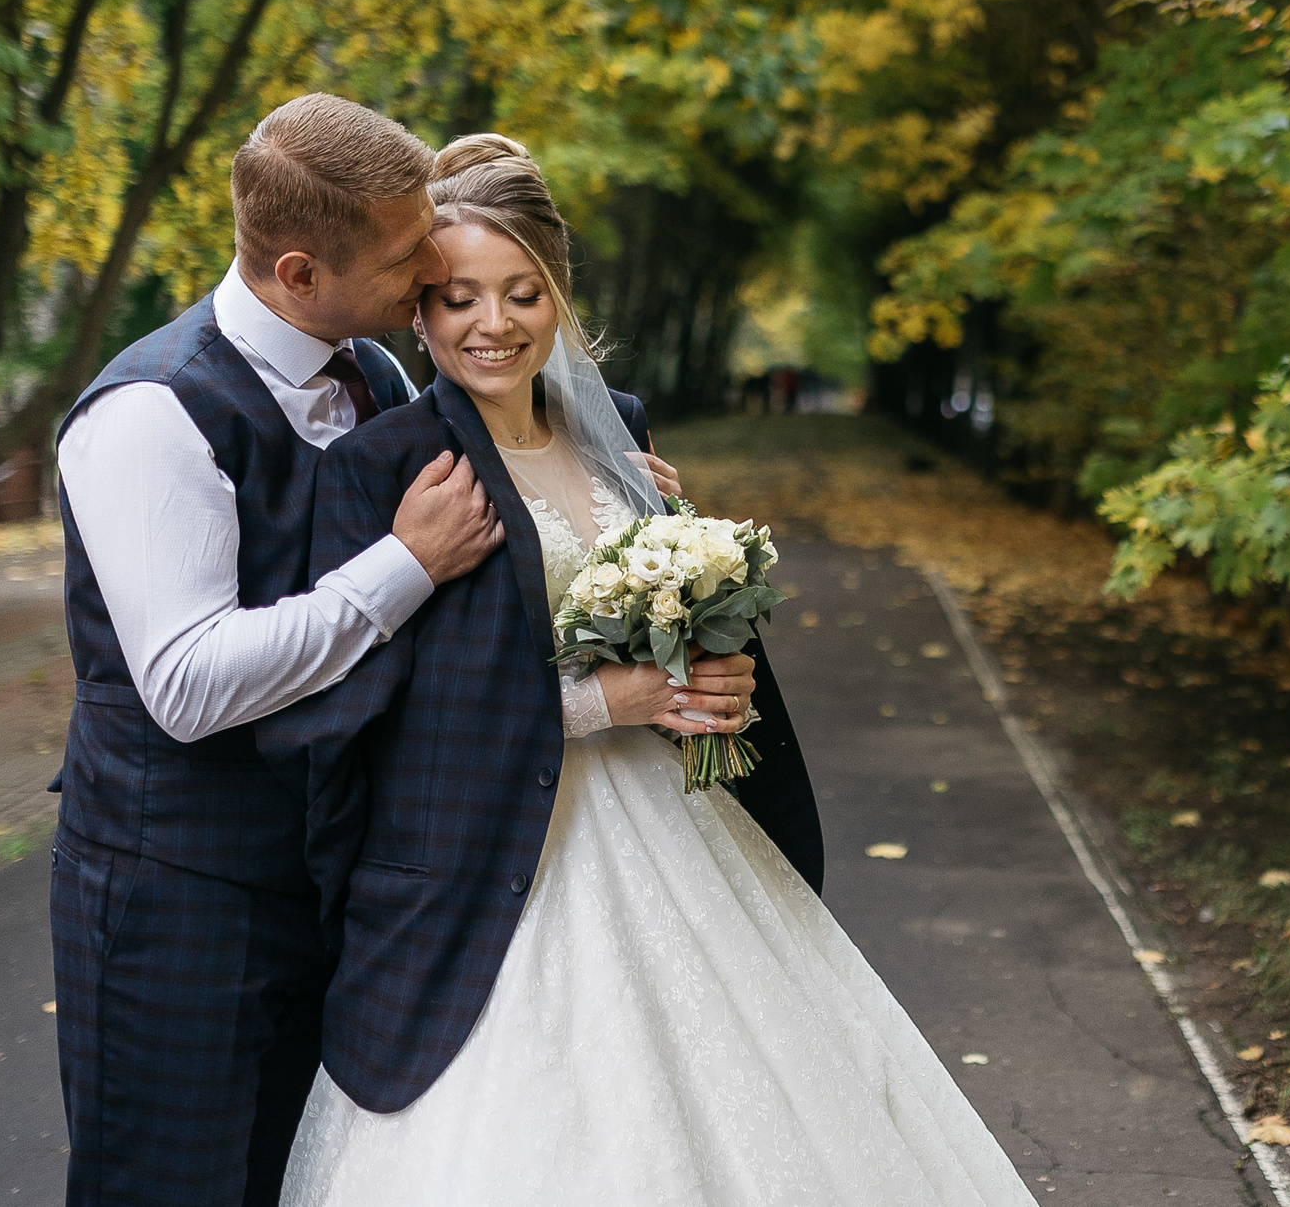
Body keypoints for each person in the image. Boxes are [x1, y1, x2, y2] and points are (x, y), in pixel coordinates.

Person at [260, 136, 1034, 1206]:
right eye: (458, 299)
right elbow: (376, 710)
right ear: (420, 311)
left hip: (674, 823)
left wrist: (706, 672)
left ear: (561, 296)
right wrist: (603, 702)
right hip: (486, 861)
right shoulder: (379, 468)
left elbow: (663, 610)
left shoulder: (621, 435)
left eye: (523, 293)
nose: (493, 324)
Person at [45, 94, 760, 1207]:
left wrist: (615, 492)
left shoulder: (374, 378)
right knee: (171, 1181)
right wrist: (402, 568)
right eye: (404, 255)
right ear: (298, 274)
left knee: (303, 1175)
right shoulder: (150, 413)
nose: (431, 259)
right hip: (181, 882)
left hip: (352, 872)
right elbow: (184, 686)